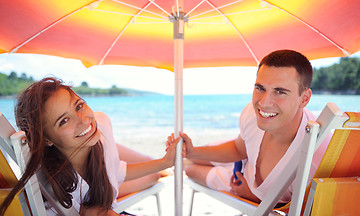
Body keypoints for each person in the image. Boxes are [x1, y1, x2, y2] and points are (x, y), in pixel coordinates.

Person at [170, 49, 331, 204]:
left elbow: (305, 209)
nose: (264, 103)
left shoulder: (316, 156)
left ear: (304, 99)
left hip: (244, 186)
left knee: (190, 170)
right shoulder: (252, 113)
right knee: (188, 158)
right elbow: (238, 149)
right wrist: (192, 152)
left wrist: (253, 196)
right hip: (244, 166)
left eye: (280, 91)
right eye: (260, 88)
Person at [0, 77, 179, 216]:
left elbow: (115, 170)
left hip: (100, 181)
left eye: (79, 106)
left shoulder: (100, 129)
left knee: (154, 176)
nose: (83, 120)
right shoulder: (52, 192)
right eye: (63, 121)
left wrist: (165, 162)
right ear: (47, 139)